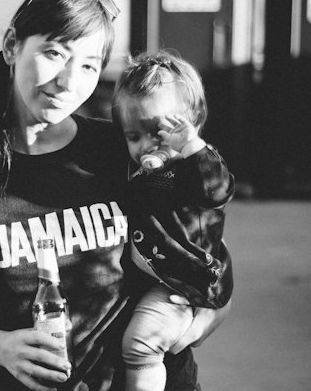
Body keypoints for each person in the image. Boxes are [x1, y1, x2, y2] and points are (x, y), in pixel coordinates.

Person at [0, 0, 230, 391]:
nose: (69, 81)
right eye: (55, 53)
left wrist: (203, 318)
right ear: (11, 46)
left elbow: (204, 247)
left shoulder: (124, 151)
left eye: (89, 65)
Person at [111, 51, 234, 391]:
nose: (144, 145)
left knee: (141, 344)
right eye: (133, 136)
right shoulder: (135, 170)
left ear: (191, 122)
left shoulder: (193, 170)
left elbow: (219, 191)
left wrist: (192, 146)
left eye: (158, 132)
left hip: (181, 284)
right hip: (152, 276)